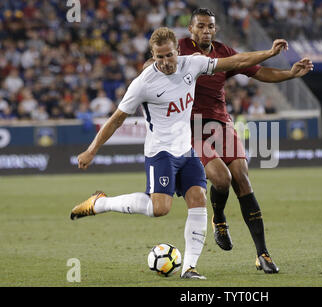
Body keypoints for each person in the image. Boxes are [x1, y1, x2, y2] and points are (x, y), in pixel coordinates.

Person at [70, 26, 290, 280]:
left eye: (169, 55)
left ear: (178, 51)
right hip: (160, 153)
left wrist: (269, 53)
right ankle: (100, 203)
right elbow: (116, 120)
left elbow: (237, 61)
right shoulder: (143, 84)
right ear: (153, 57)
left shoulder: (192, 64)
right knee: (159, 208)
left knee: (198, 200)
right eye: (159, 57)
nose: (165, 62)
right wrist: (91, 150)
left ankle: (189, 268)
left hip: (187, 149)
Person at [144, 8, 313, 274]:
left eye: (210, 26)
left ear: (215, 29)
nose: (205, 31)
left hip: (220, 122)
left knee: (242, 177)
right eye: (200, 26)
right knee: (221, 179)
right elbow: (152, 67)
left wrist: (290, 73)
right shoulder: (179, 50)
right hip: (190, 126)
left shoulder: (224, 52)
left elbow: (258, 72)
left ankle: (263, 254)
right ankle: (219, 218)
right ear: (190, 29)